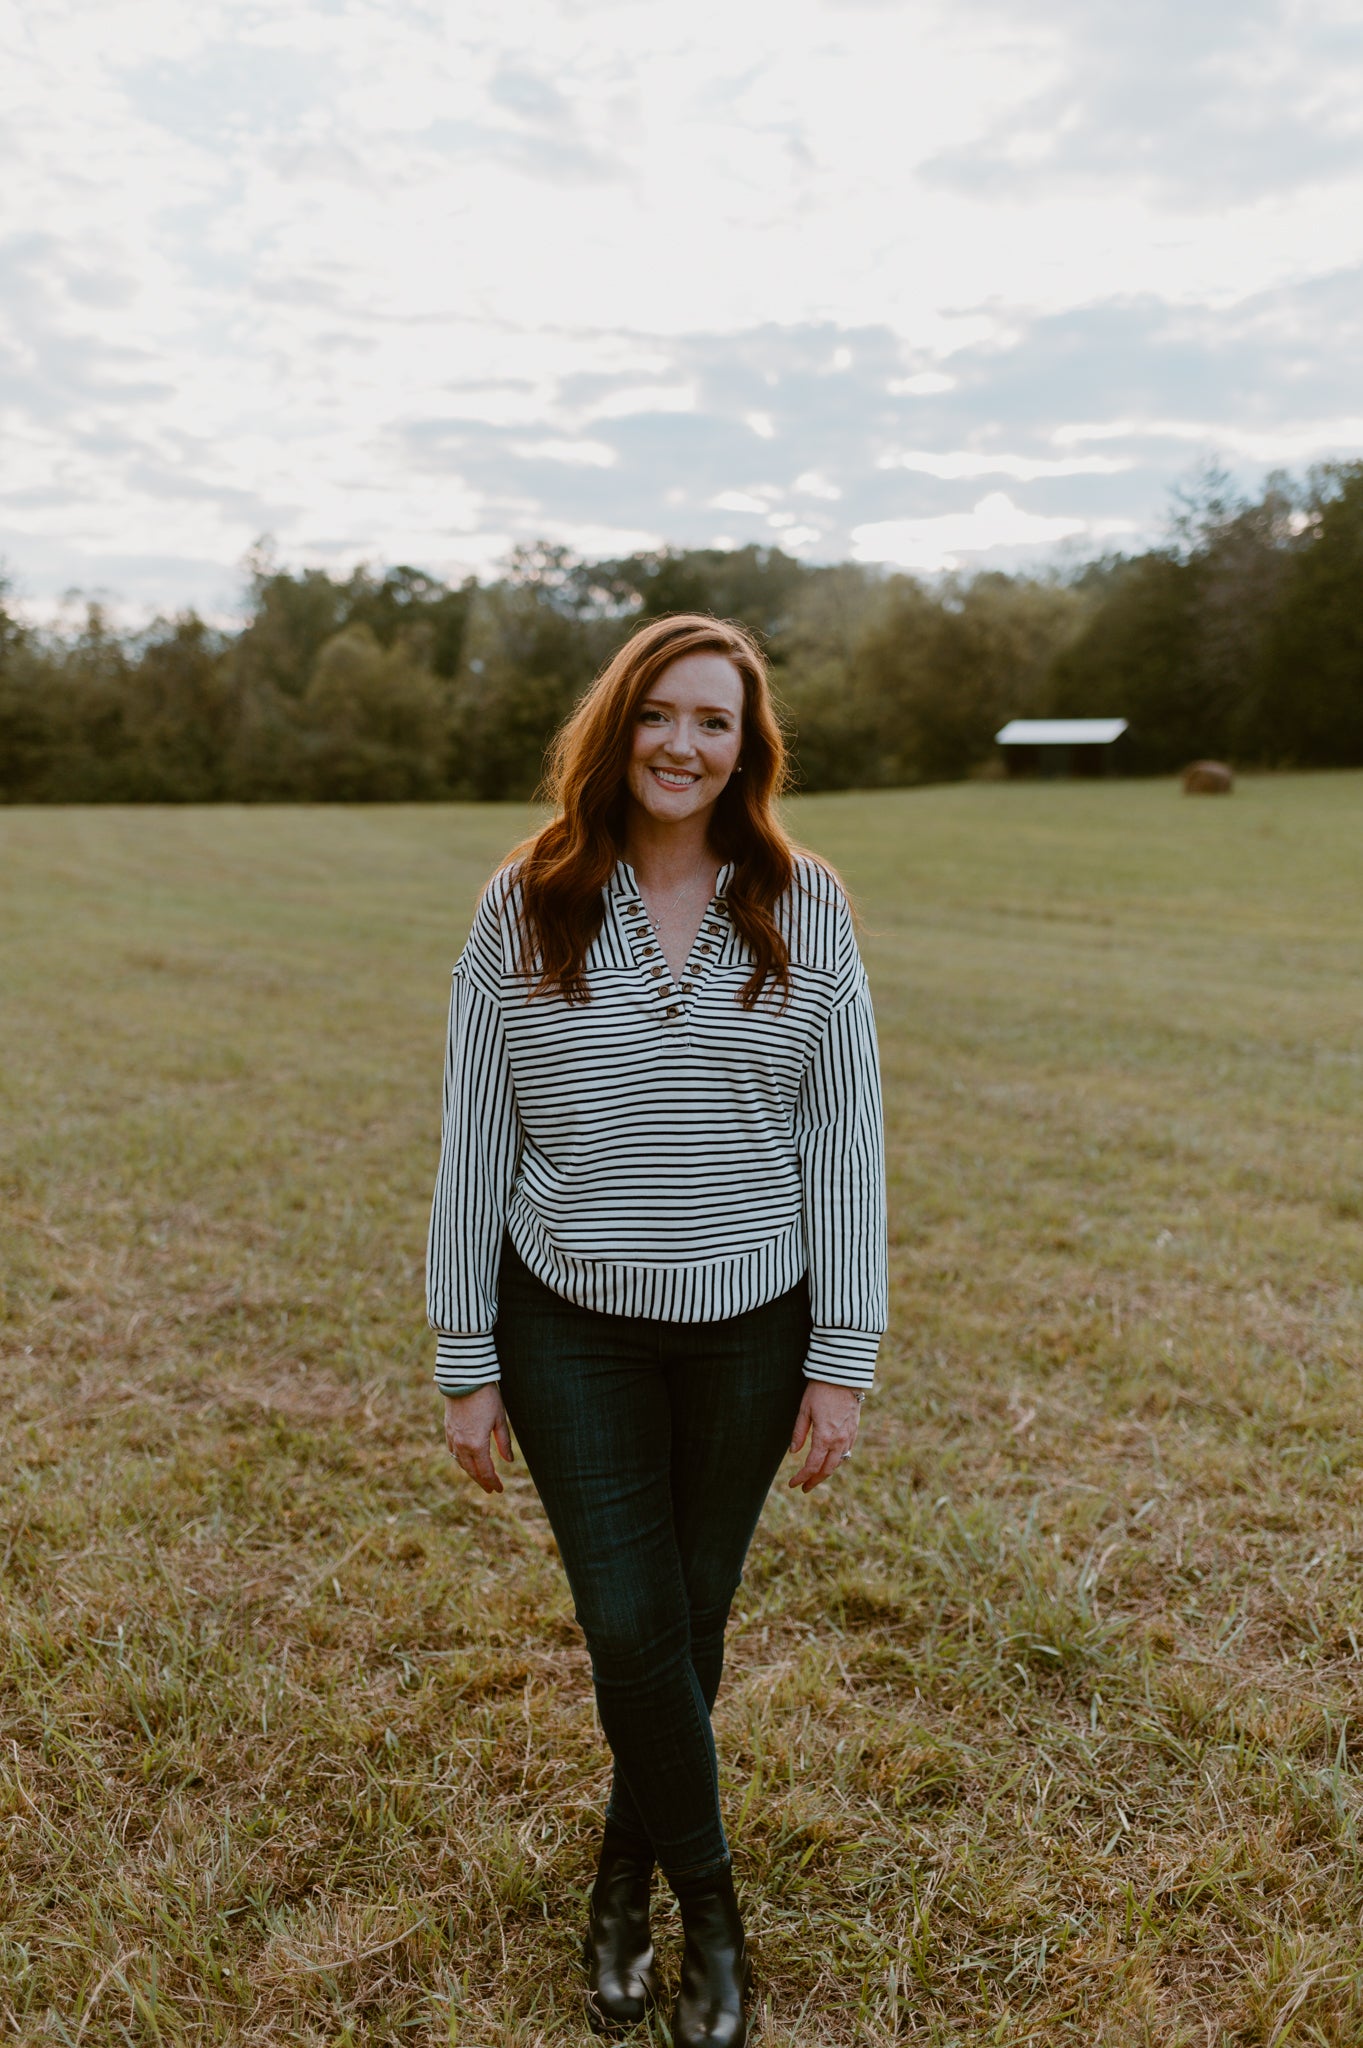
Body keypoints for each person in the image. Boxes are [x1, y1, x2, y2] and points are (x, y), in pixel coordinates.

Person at [426, 612, 887, 2046]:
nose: (684, 745)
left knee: (687, 1630)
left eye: (715, 723)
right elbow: (473, 1137)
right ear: (617, 727)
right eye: (660, 716)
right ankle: (715, 1913)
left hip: (756, 1326)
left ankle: (623, 1880)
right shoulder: (531, 901)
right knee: (631, 1621)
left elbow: (846, 1138)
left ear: (746, 750)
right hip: (567, 1324)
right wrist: (463, 1354)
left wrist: (843, 1355)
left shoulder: (805, 904)